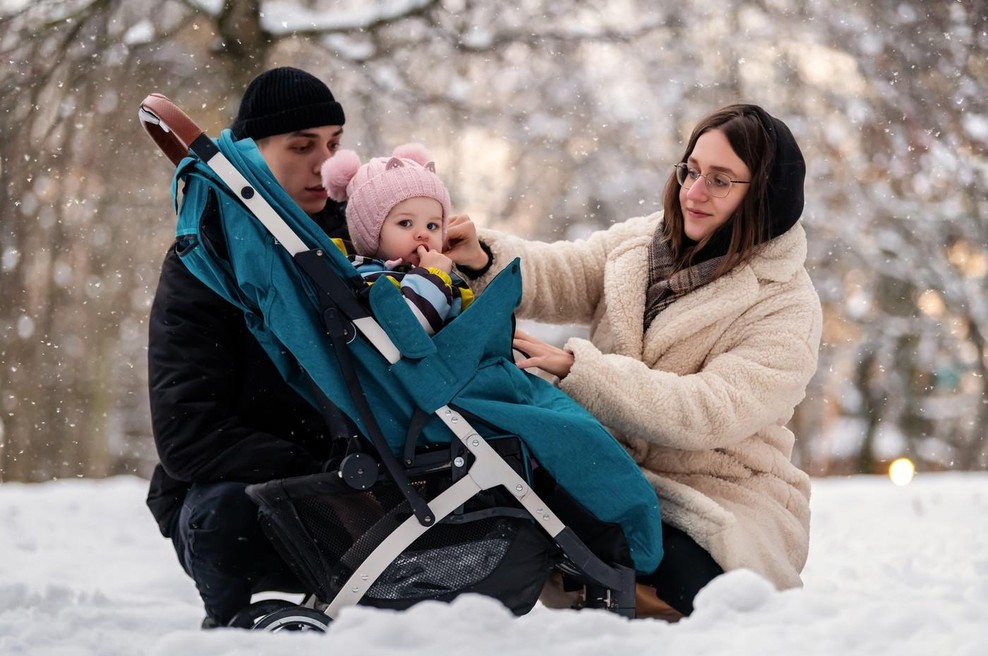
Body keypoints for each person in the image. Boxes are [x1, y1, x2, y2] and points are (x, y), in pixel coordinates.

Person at [444, 104, 822, 618]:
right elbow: (569, 273)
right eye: (691, 170)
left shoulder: (785, 303)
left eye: (720, 180)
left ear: (762, 197)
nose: (694, 191)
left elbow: (711, 409)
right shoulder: (645, 242)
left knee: (699, 599)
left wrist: (581, 371)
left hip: (718, 492)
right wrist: (481, 258)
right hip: (613, 469)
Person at [146, 66, 350, 629]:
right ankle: (234, 629)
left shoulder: (355, 244)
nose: (324, 163)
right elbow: (187, 435)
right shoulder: (201, 265)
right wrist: (317, 470)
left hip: (355, 480)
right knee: (226, 513)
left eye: (334, 144)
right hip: (241, 494)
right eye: (302, 146)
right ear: (254, 155)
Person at [321, 143, 472, 335]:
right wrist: (432, 275)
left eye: (432, 226)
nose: (423, 234)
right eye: (405, 223)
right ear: (370, 234)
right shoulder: (368, 279)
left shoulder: (440, 277)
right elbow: (410, 331)